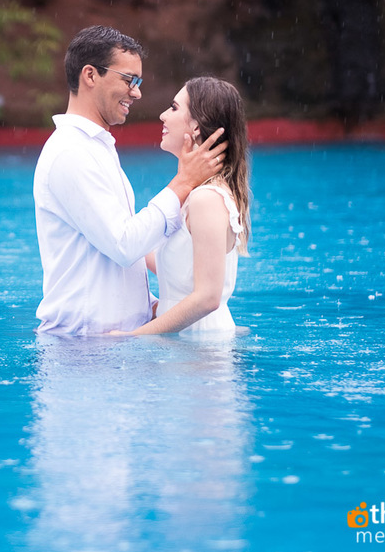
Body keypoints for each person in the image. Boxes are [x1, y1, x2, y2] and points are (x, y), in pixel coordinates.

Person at [33, 26, 226, 335]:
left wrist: (157, 310)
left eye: (138, 82)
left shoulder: (96, 149)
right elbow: (124, 244)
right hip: (82, 350)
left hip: (112, 346)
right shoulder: (70, 153)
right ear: (90, 76)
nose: (136, 92)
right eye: (129, 80)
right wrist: (183, 182)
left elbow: (117, 258)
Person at [109, 76, 251, 336]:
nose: (163, 116)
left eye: (174, 108)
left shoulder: (206, 199)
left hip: (201, 350)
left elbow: (208, 298)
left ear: (197, 126)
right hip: (186, 346)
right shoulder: (195, 195)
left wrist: (132, 338)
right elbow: (172, 267)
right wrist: (108, 235)